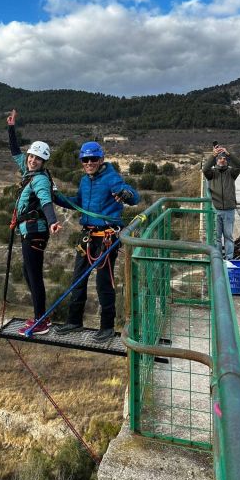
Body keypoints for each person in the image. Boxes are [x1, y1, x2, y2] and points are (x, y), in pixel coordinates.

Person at [55, 141, 139, 341]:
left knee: (103, 283)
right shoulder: (85, 181)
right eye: (85, 159)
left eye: (93, 159)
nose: (89, 162)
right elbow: (78, 202)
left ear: (101, 159)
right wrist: (55, 197)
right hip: (87, 236)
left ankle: (107, 327)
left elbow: (133, 197)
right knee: (78, 279)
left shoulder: (111, 178)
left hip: (106, 238)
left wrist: (128, 194)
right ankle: (74, 321)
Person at [7, 109, 62, 335]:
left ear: (43, 162)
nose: (32, 160)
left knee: (34, 274)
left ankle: (41, 320)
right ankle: (41, 316)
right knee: (28, 272)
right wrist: (11, 128)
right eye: (31, 156)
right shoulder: (28, 170)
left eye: (37, 158)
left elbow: (46, 201)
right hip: (28, 232)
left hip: (36, 232)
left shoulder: (39, 180)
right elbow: (14, 152)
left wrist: (53, 221)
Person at [202, 144, 240, 260]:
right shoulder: (212, 174)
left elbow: (239, 166)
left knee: (228, 236)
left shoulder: (231, 173)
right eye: (220, 158)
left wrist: (228, 154)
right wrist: (213, 155)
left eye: (224, 159)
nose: (222, 160)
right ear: (216, 161)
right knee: (217, 237)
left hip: (229, 209)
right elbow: (205, 169)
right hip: (217, 209)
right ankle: (218, 258)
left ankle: (229, 258)